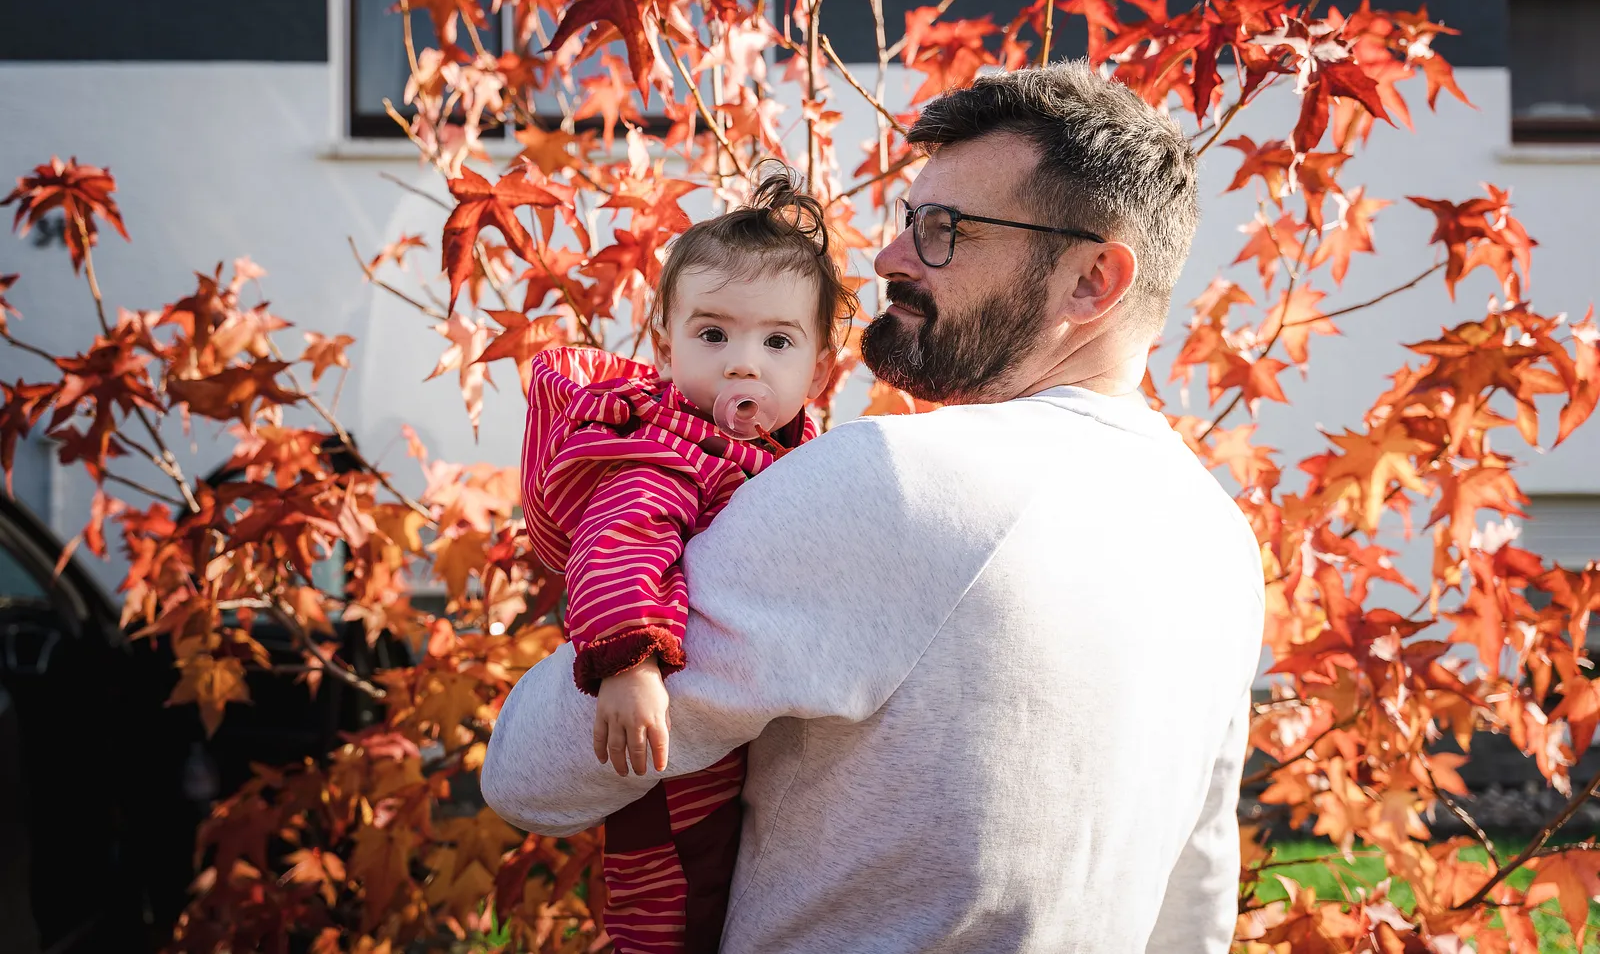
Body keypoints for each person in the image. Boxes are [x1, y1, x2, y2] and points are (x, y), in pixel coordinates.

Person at [484, 61, 1266, 954]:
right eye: (908, 219)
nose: (891, 257)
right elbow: (1196, 905)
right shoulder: (1218, 540)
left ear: (1092, 280)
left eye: (945, 230)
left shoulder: (898, 479)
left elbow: (532, 771)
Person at [517, 170, 855, 954]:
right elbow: (621, 544)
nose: (743, 364)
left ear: (819, 371)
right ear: (665, 346)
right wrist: (629, 664)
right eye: (713, 335)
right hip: (665, 738)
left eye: (777, 342)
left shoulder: (789, 456)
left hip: (744, 736)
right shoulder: (666, 454)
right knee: (671, 904)